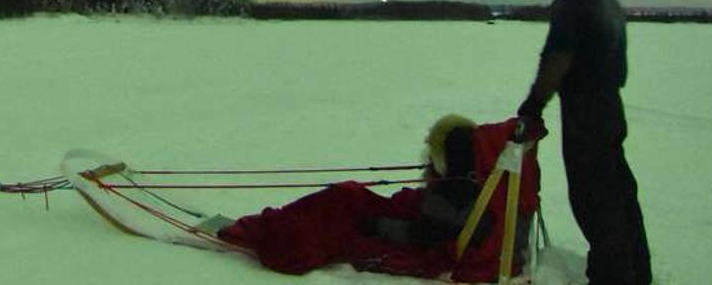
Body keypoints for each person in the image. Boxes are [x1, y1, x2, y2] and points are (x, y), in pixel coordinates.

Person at [212, 115, 536, 279]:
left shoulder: (459, 192)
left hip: (415, 231)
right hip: (421, 217)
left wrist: (376, 224)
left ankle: (270, 229)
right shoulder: (484, 176)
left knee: (341, 203)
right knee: (346, 197)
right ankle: (275, 223)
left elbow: (425, 234)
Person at [515, 0, 652, 285]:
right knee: (619, 194)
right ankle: (636, 272)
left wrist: (533, 105)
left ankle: (612, 276)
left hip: (586, 114)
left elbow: (557, 60)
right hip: (609, 109)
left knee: (595, 201)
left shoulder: (573, 3)